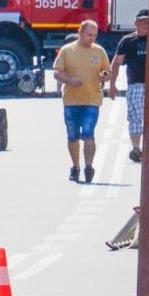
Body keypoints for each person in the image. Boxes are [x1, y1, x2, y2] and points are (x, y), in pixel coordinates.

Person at [52, 18, 109, 183]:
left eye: (94, 35)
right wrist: (69, 81)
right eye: (89, 35)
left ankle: (89, 166)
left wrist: (105, 75)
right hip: (71, 100)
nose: (92, 38)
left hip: (92, 99)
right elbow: (56, 72)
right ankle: (75, 166)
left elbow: (107, 70)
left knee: (89, 133)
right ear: (80, 33)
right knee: (72, 136)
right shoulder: (67, 50)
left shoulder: (99, 51)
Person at [108, 9, 149, 164]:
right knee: (135, 118)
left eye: (148, 21)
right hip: (135, 84)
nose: (145, 24)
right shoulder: (127, 41)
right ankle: (136, 148)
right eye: (142, 21)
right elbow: (116, 63)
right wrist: (112, 84)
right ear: (135, 23)